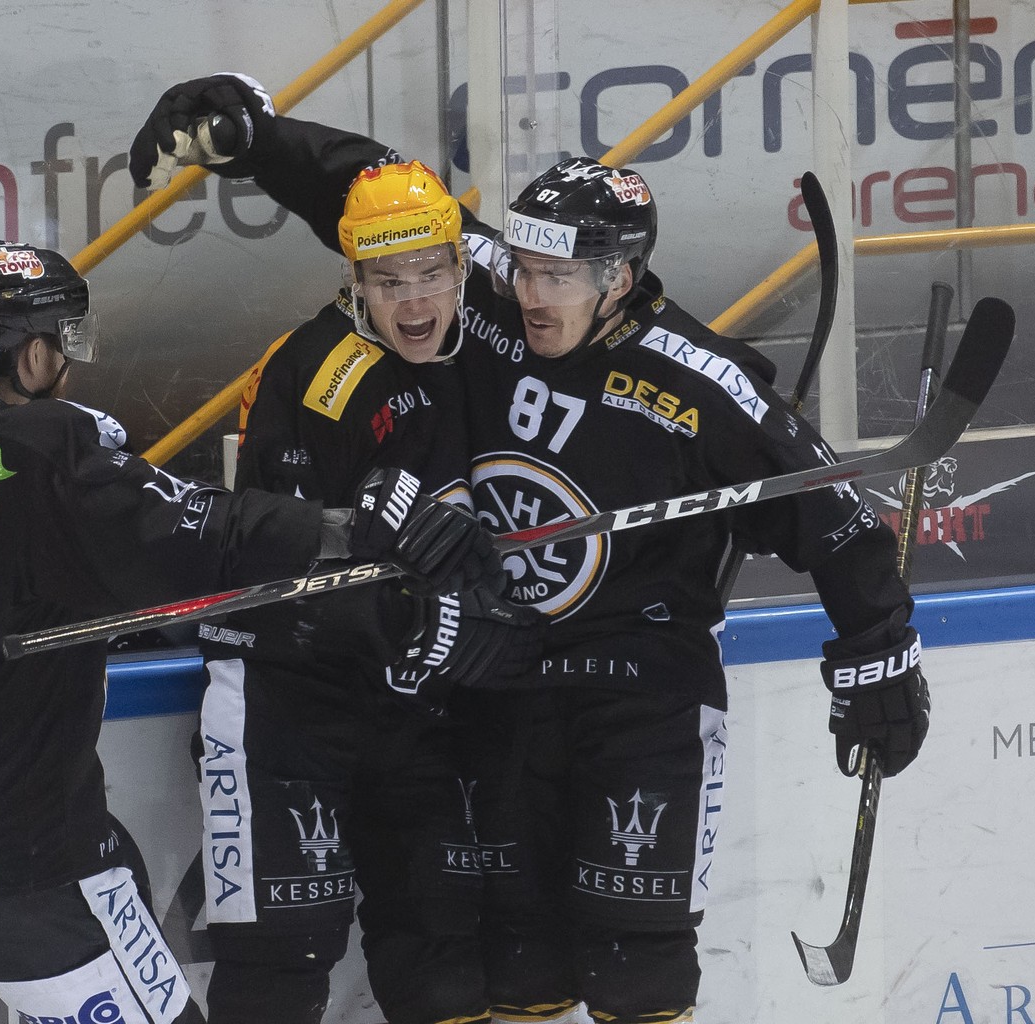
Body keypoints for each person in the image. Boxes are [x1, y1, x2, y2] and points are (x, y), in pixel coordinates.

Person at [130, 77, 931, 1024]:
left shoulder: (701, 382)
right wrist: (257, 138)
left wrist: (879, 654)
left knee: (638, 969)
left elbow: (826, 513)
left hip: (640, 689)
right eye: (522, 268)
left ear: (618, 280)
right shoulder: (492, 289)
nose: (529, 292)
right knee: (514, 967)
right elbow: (376, 194)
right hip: (499, 692)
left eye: (557, 278)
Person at [0, 237, 504, 1024]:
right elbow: (210, 533)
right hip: (3, 857)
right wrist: (361, 527)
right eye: (63, 341)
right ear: (30, 355)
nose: (70, 362)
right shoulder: (36, 454)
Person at [190, 144, 543, 1022]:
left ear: (465, 268)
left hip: (404, 712)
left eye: (432, 273)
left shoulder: (468, 351)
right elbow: (291, 587)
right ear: (355, 280)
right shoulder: (322, 376)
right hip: (284, 711)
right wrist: (446, 623)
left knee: (442, 961)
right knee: (279, 966)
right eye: (390, 281)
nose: (415, 301)